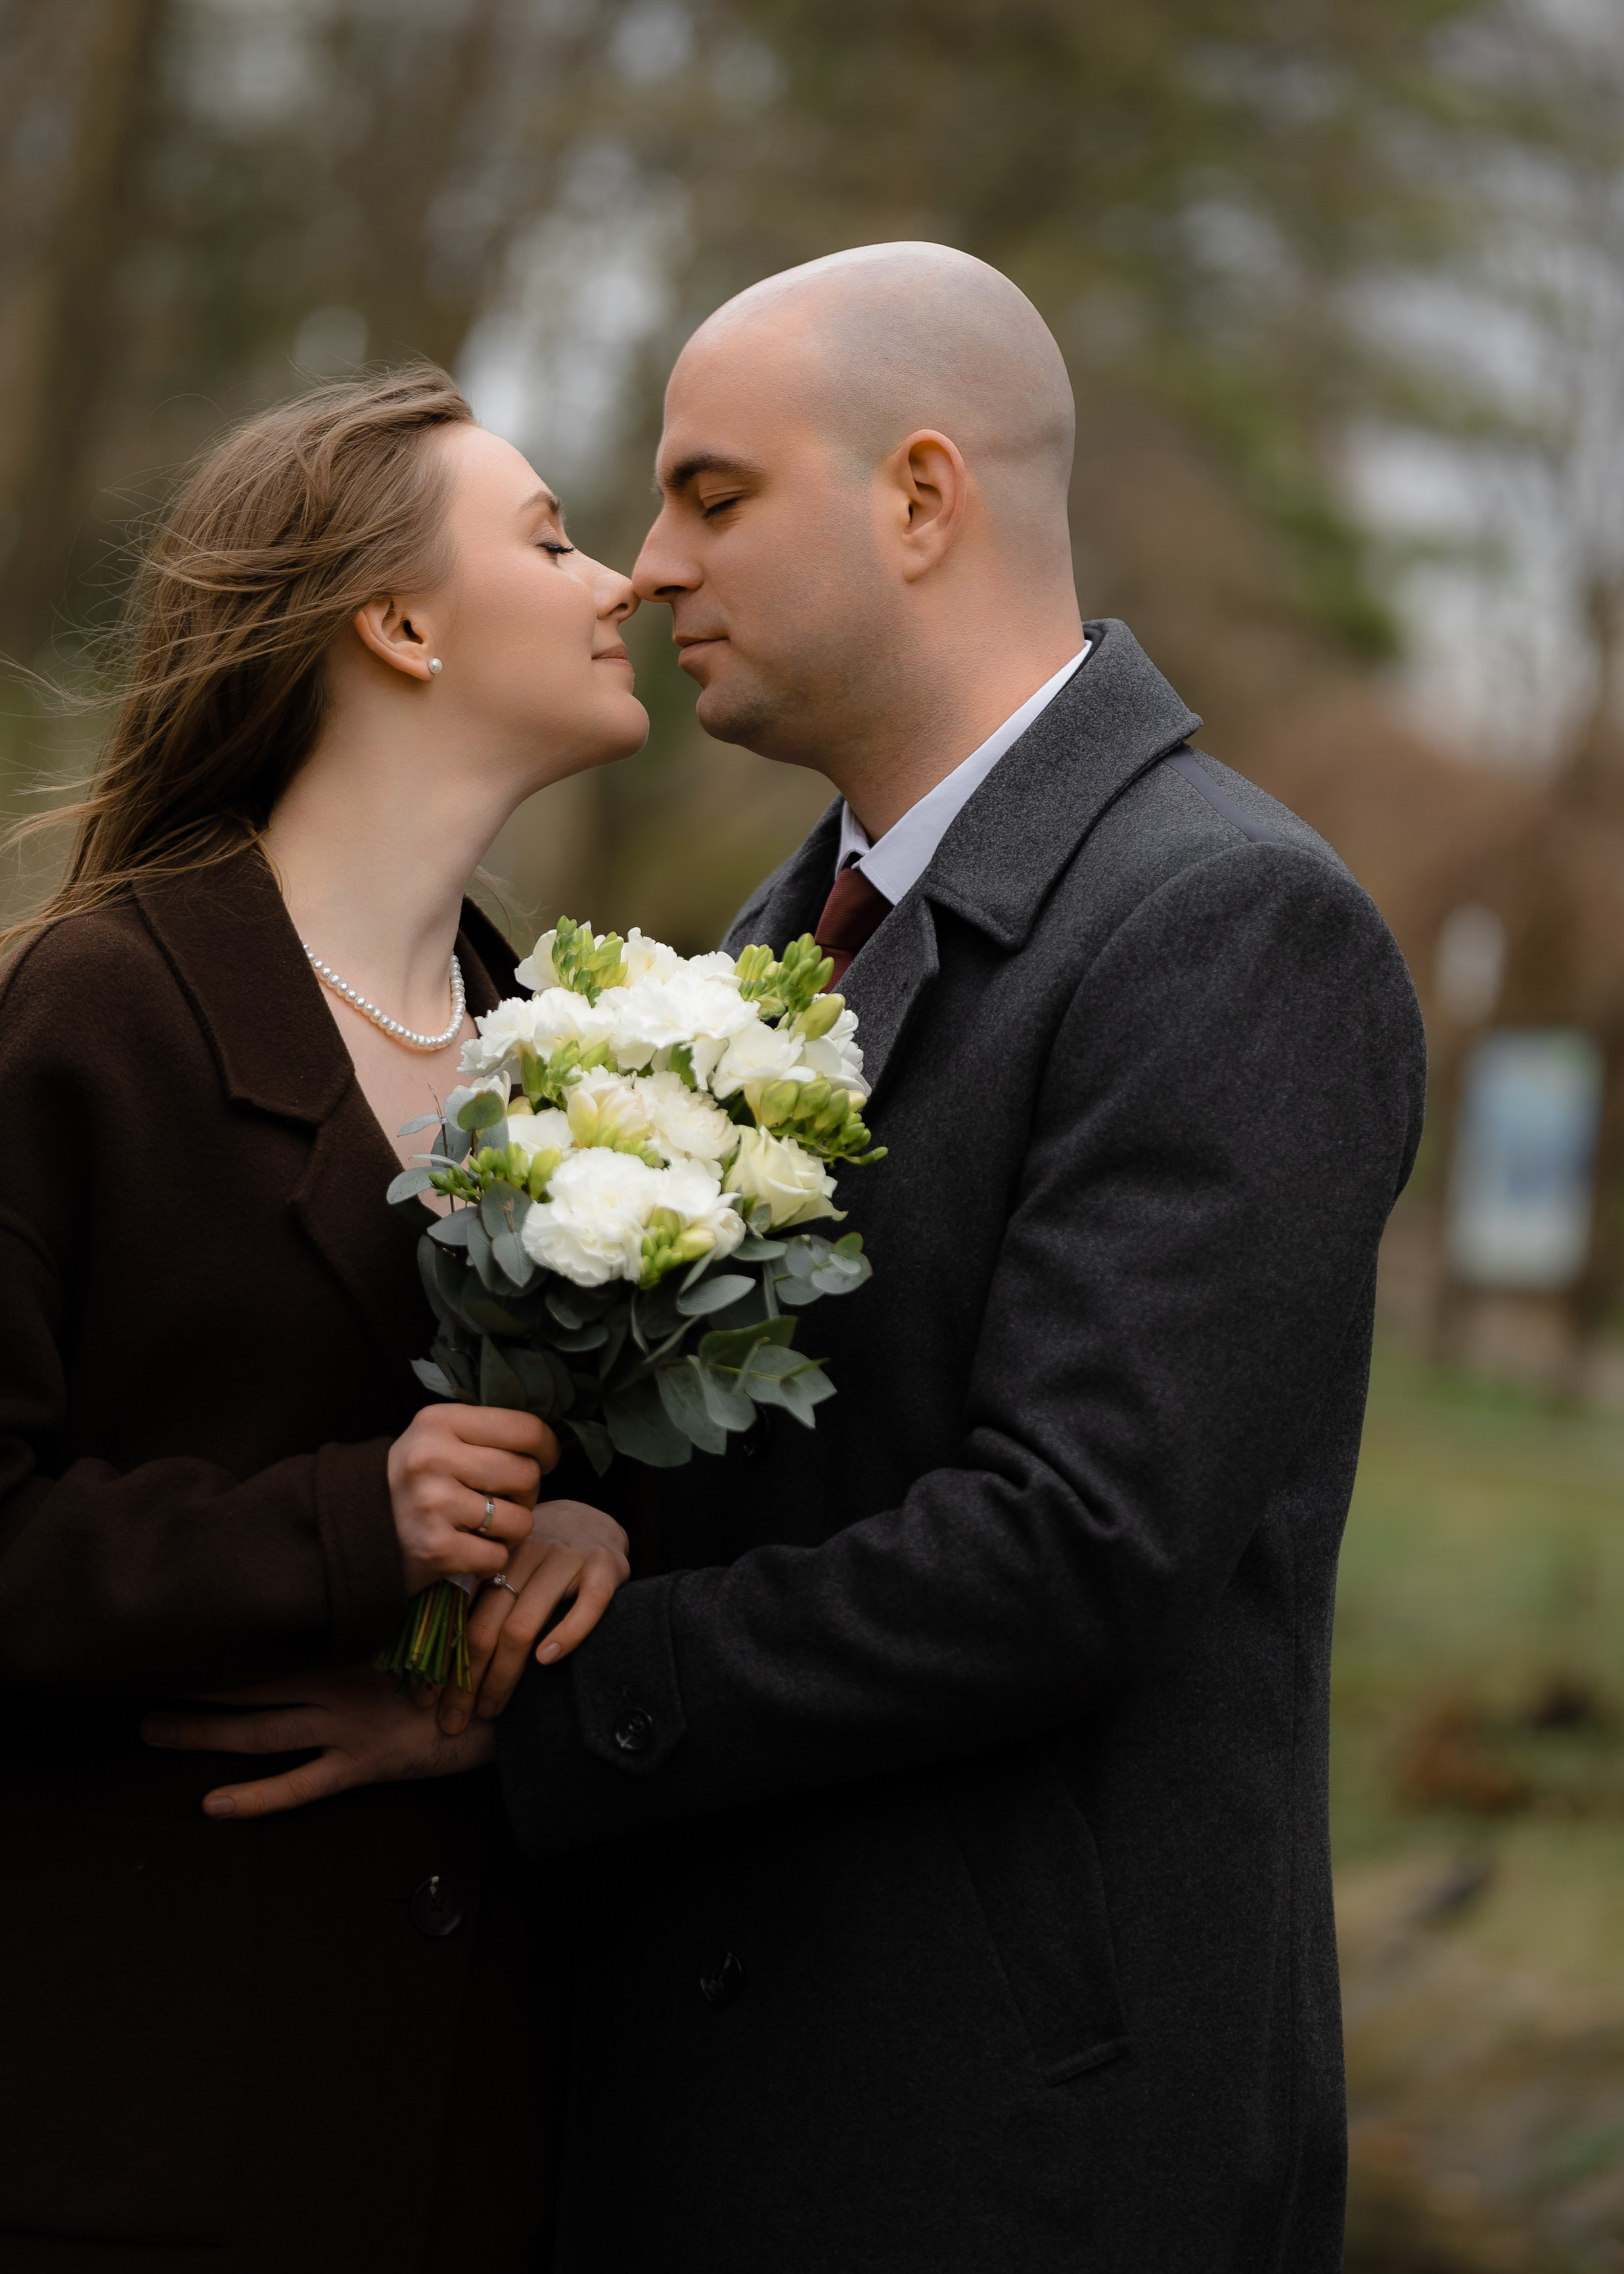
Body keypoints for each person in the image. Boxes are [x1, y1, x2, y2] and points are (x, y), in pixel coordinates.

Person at [156, 248, 1428, 2273]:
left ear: (921, 499)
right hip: (703, 2114)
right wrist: (576, 1537)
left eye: (713, 495)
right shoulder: (776, 939)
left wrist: (541, 1711)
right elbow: (785, 1451)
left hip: (1012, 2162)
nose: (651, 564)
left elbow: (1072, 1545)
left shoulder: (1225, 925)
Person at [0, 367, 640, 2274]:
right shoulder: (93, 1015)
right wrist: (356, 1522)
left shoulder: (590, 1055)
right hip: (138, 2126)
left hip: (486, 2136)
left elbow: (606, 1466)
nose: (620, 582)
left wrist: (594, 1536)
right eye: (552, 539)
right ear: (402, 626)